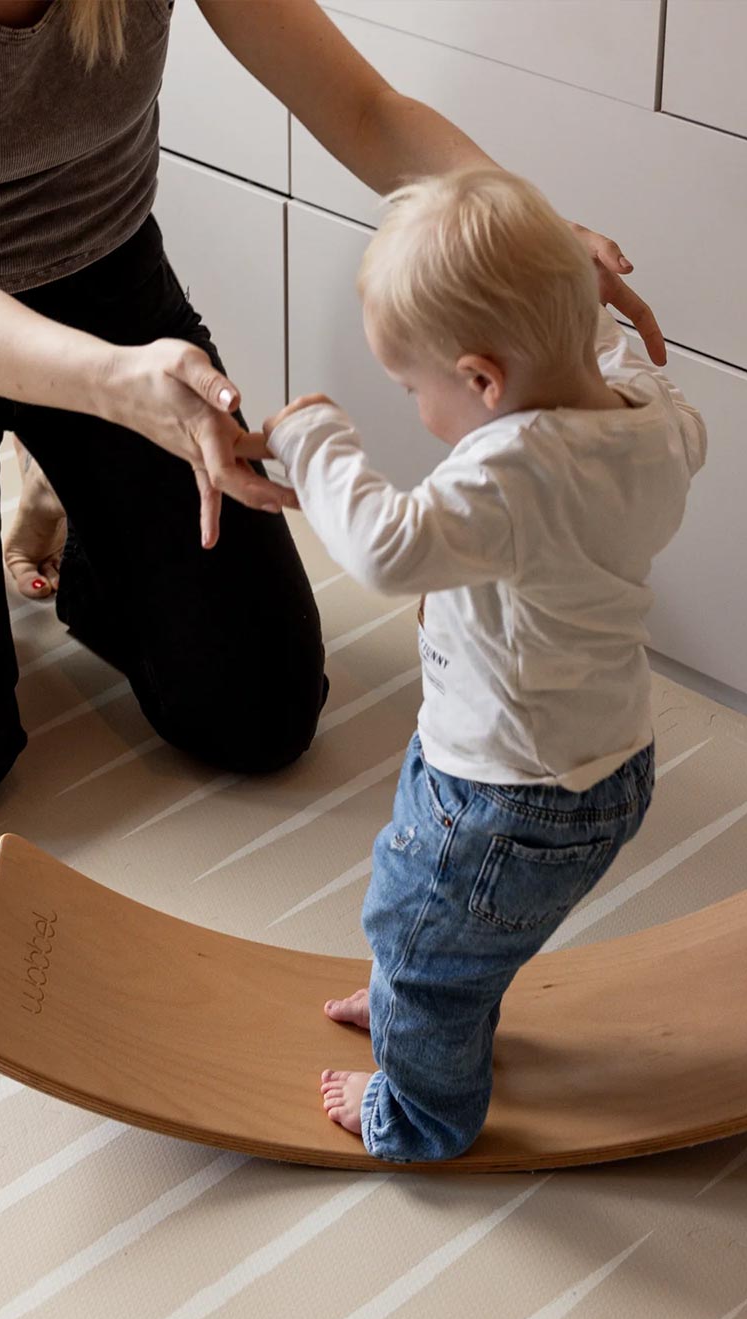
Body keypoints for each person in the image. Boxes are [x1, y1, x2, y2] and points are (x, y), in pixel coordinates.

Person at [0, 0, 667, 829]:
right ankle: (6, 482)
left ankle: (68, 498)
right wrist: (116, 383)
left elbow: (364, 110)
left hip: (112, 298)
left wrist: (534, 238)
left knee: (261, 716)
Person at [253, 167, 706, 1162]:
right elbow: (607, 345)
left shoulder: (517, 470)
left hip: (507, 791)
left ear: (483, 382)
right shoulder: (655, 416)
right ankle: (421, 995)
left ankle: (420, 1112)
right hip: (595, 760)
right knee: (432, 910)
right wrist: (578, 305)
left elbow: (386, 549)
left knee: (421, 942)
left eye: (412, 388)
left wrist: (311, 438)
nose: (414, 406)